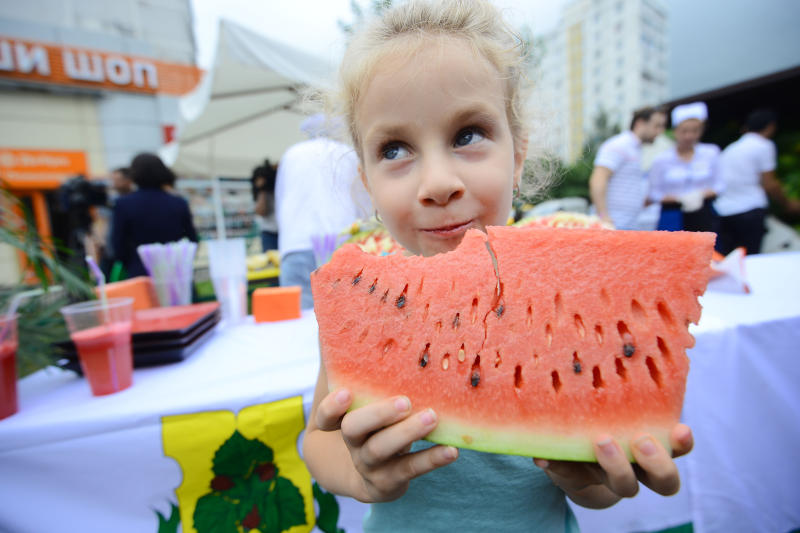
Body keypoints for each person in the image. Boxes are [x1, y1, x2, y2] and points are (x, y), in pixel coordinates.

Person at [302, 2, 693, 531]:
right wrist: (360, 476)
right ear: (368, 181)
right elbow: (317, 438)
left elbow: (597, 489)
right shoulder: (358, 307)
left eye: (467, 135)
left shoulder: (570, 302)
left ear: (518, 154)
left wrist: (588, 479)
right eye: (394, 148)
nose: (438, 183)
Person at [275, 114, 370, 309]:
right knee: (343, 315)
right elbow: (364, 204)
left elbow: (280, 199)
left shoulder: (291, 154)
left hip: (295, 245)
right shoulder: (346, 153)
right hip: (340, 243)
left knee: (298, 320)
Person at [714, 109, 800, 254]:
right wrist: (787, 204)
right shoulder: (763, 145)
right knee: (753, 257)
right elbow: (770, 184)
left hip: (724, 212)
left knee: (732, 258)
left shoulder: (731, 148)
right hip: (750, 211)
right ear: (771, 126)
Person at [110, 153, 198, 278]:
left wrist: (129, 262)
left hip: (141, 272)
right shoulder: (179, 203)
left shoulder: (124, 204)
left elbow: (118, 244)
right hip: (176, 271)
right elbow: (192, 239)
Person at [647, 102, 723, 232]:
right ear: (675, 131)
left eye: (695, 131)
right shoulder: (662, 159)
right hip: (672, 216)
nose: (689, 136)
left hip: (704, 213)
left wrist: (700, 195)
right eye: (684, 131)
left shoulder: (711, 152)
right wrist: (679, 198)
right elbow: (654, 193)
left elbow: (720, 185)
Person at [589, 106, 667, 229]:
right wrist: (603, 217)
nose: (660, 131)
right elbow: (598, 180)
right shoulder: (619, 145)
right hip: (613, 225)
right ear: (640, 123)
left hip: (627, 223)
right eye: (657, 125)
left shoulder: (635, 149)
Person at [251, 160, 279, 251]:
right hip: (269, 234)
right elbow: (261, 211)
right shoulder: (261, 193)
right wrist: (262, 189)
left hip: (285, 233)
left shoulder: (282, 188)